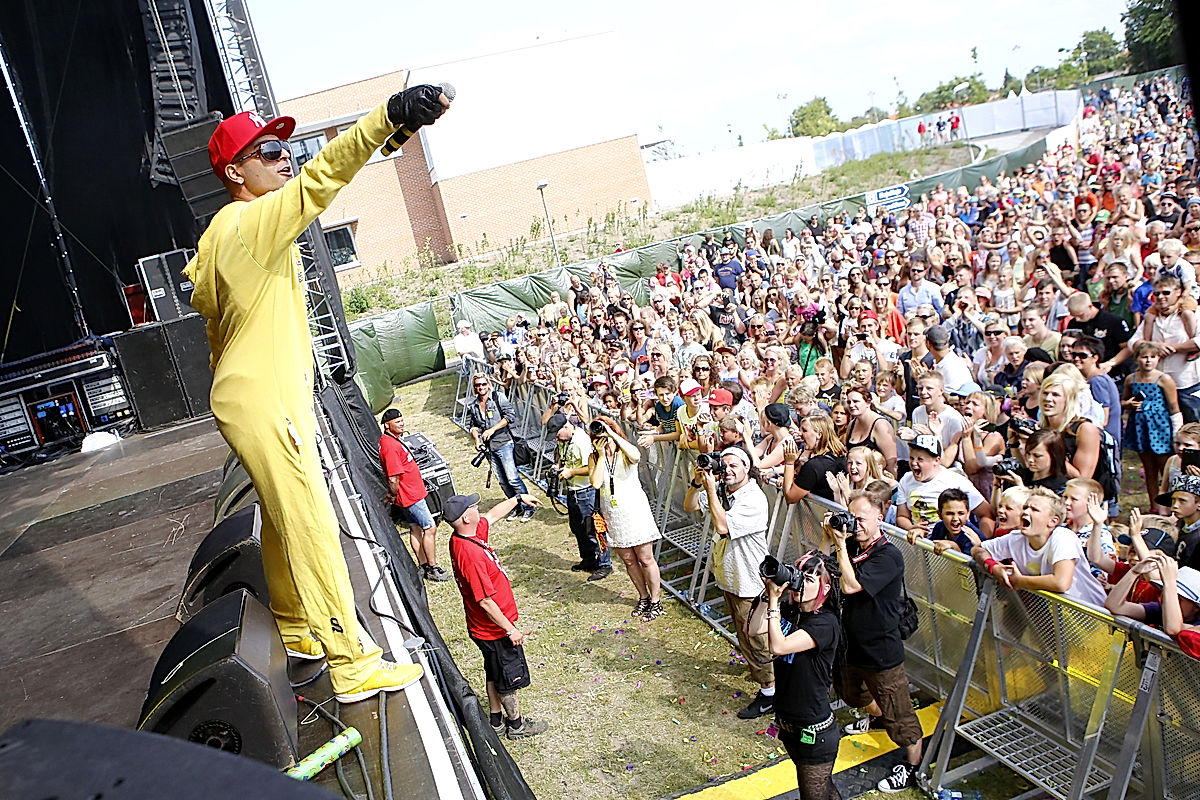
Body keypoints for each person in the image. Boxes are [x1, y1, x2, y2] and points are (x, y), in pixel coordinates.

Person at [183, 84, 450, 702]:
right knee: (311, 527)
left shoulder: (224, 232)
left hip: (249, 397)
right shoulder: (252, 222)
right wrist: (388, 116)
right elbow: (324, 177)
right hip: (268, 401)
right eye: (266, 150)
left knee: (281, 523)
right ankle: (352, 662)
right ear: (234, 172)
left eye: (283, 145)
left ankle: (301, 628)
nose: (283, 157)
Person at [828, 490, 924, 794]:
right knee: (850, 693)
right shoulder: (852, 546)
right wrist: (829, 538)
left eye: (861, 519)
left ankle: (911, 767)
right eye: (851, 518)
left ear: (879, 518)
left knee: (902, 718)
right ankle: (877, 715)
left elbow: (851, 585)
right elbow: (824, 565)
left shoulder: (888, 555)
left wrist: (841, 546)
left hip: (881, 652)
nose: (855, 525)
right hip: (850, 647)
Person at [444, 492, 549, 739]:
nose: (478, 507)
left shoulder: (464, 535)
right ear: (466, 517)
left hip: (483, 629)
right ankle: (516, 725)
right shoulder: (471, 555)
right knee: (508, 678)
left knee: (493, 671)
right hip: (493, 630)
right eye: (473, 506)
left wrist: (518, 499)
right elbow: (486, 602)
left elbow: (492, 516)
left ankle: (496, 720)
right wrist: (510, 630)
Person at [684, 447, 774, 719]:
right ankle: (762, 674)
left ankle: (770, 693)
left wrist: (711, 490)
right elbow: (690, 505)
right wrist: (697, 482)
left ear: (747, 468)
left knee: (756, 637)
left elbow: (723, 527)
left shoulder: (754, 499)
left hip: (749, 580)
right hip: (729, 575)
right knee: (742, 632)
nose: (728, 470)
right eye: (724, 465)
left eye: (734, 465)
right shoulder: (722, 490)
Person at [747, 551, 844, 800]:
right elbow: (755, 629)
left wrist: (775, 602)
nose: (800, 582)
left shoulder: (825, 623)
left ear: (826, 587)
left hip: (814, 730)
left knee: (813, 796)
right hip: (789, 723)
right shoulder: (792, 610)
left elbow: (778, 647)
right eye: (800, 576)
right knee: (822, 790)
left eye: (809, 579)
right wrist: (768, 594)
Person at [972, 487, 1107, 607]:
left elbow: (1061, 582)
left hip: (1093, 614)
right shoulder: (1016, 538)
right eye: (1025, 507)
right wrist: (994, 568)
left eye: (1034, 509)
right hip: (1059, 617)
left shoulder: (1062, 537)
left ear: (1053, 521)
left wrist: (1020, 581)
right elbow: (978, 549)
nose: (1025, 512)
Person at [589, 417, 664, 619]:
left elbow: (636, 456)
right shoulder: (595, 458)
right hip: (613, 514)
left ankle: (656, 601)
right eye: (598, 432)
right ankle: (643, 597)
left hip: (634, 510)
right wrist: (602, 455)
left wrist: (612, 434)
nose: (602, 436)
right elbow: (596, 483)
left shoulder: (625, 451)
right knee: (629, 561)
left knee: (646, 558)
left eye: (605, 431)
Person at [379, 408, 449, 582]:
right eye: (397, 422)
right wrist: (393, 495)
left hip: (410, 493)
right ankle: (433, 568)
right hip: (410, 495)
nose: (401, 424)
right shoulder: (390, 447)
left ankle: (424, 565)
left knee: (415, 528)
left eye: (402, 420)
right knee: (429, 528)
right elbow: (394, 478)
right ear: (387, 425)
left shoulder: (391, 441)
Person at [467, 375, 536, 522]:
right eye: (478, 385)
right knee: (503, 481)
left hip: (504, 443)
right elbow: (472, 425)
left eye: (483, 384)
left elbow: (510, 416)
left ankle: (529, 507)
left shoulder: (498, 397)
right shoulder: (473, 405)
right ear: (475, 387)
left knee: (513, 478)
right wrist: (476, 439)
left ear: (488, 384)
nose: (481, 387)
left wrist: (492, 429)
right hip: (489, 449)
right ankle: (515, 507)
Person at [551, 416, 612, 582]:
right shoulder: (565, 438)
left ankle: (604, 564)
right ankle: (588, 559)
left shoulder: (582, 442)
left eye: (557, 435)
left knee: (593, 529)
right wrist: (558, 466)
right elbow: (562, 456)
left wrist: (571, 472)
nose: (556, 439)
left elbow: (590, 468)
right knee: (577, 528)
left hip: (586, 491)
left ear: (566, 427)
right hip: (573, 490)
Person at [896, 435, 993, 538]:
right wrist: (911, 528)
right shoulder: (906, 479)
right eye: (911, 458)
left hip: (948, 547)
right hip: (918, 544)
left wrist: (981, 546)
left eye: (920, 459)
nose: (914, 463)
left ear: (937, 460)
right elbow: (902, 516)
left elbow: (987, 514)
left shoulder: (956, 481)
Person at [1123, 341, 1181, 508]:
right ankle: (1154, 505)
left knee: (1166, 468)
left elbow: (1173, 407)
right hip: (1140, 427)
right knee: (1149, 469)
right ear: (1136, 359)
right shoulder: (1131, 379)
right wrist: (1128, 404)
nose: (1148, 361)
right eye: (1144, 357)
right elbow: (1124, 401)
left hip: (1160, 427)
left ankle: (1171, 504)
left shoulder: (1164, 379)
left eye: (1153, 357)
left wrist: (1176, 432)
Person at [780, 413, 847, 503]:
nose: (800, 434)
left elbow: (790, 497)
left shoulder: (814, 466)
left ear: (819, 434)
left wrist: (789, 462)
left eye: (804, 430)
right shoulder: (841, 456)